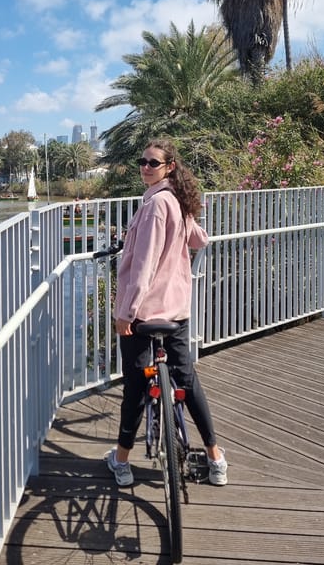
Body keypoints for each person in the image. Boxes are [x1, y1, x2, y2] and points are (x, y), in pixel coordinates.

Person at [105, 138, 228, 487]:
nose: (145, 167)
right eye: (142, 162)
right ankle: (215, 458)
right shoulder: (175, 199)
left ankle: (122, 461)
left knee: (137, 387)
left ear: (169, 167)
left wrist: (126, 313)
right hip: (176, 311)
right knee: (187, 381)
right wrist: (187, 218)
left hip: (144, 314)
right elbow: (200, 240)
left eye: (153, 163)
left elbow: (143, 266)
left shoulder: (156, 205)